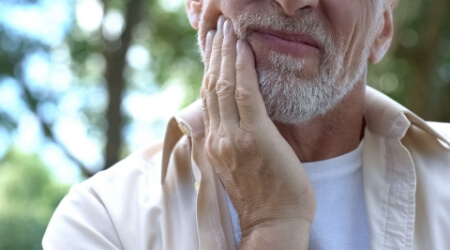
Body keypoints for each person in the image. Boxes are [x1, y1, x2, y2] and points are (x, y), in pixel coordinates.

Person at [43, 0, 450, 249]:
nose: (292, 2)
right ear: (197, 1)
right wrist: (272, 228)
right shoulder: (102, 222)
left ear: (382, 26)